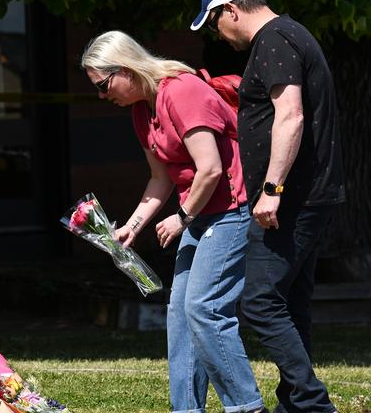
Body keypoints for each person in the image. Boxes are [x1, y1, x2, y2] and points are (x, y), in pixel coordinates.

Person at [82, 31, 265, 413]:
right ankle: (185, 409)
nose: (102, 96)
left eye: (104, 85)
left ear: (127, 68)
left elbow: (211, 169)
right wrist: (133, 226)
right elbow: (160, 178)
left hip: (231, 210)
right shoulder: (140, 110)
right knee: (180, 314)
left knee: (204, 308)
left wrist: (182, 218)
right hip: (200, 216)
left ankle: (247, 406)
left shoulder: (180, 91)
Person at [190, 0, 345, 413]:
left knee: (259, 301)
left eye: (213, 23)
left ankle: (313, 404)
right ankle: (295, 404)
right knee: (291, 303)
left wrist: (272, 189)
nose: (218, 36)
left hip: (293, 199)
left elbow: (291, 116)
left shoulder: (274, 40)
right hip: (311, 195)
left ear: (231, 11)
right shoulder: (290, 34)